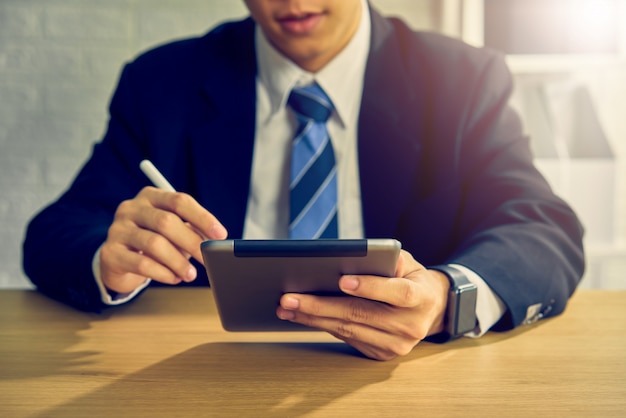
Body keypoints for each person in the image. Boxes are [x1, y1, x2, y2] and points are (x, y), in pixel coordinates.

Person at [22, 0, 585, 361]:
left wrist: (445, 298)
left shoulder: (462, 78)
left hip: (404, 380)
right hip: (207, 373)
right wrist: (109, 258)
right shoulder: (162, 82)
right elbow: (58, 230)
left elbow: (542, 228)